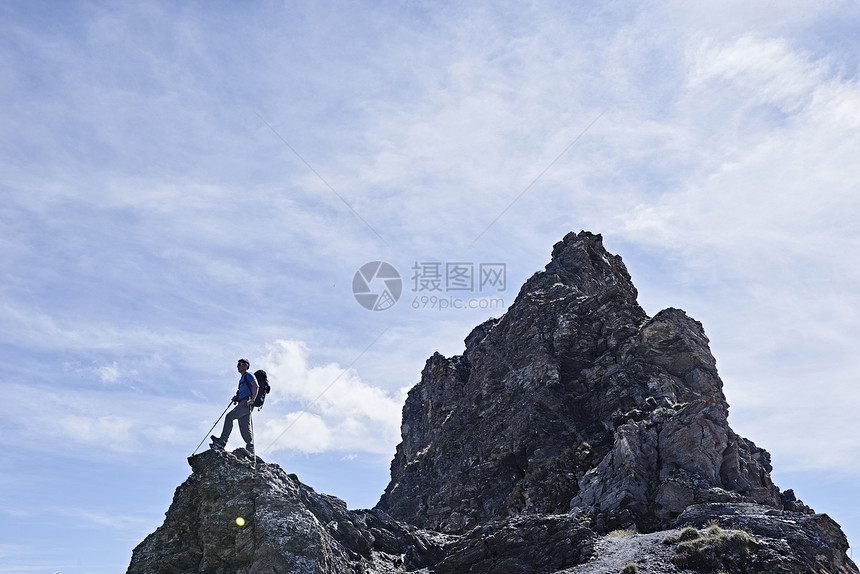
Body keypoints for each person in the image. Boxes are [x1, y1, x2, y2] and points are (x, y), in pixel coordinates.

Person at [211, 359, 259, 454]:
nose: (238, 366)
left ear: (246, 365)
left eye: (240, 364)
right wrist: (236, 397)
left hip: (246, 403)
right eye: (237, 364)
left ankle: (222, 441)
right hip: (243, 402)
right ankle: (250, 450)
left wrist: (252, 399)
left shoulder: (249, 375)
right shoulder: (242, 379)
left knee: (229, 417)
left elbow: (256, 386)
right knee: (245, 428)